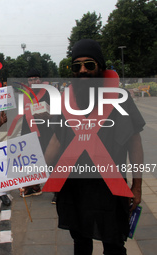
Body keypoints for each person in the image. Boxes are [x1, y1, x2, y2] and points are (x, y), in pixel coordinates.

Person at [44, 39, 144, 254]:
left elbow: (134, 144)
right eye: (76, 66)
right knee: (80, 243)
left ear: (100, 67)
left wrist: (137, 186)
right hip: (73, 187)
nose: (82, 71)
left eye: (89, 65)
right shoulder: (65, 99)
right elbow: (57, 140)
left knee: (114, 245)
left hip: (110, 188)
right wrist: (35, 171)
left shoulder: (120, 98)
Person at [19, 68, 55, 201]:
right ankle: (34, 186)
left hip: (46, 132)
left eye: (35, 78)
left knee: (50, 162)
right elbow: (24, 115)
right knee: (32, 162)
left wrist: (49, 115)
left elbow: (58, 113)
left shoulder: (49, 93)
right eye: (30, 79)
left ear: (40, 79)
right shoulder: (25, 94)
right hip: (29, 131)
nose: (33, 81)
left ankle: (58, 191)